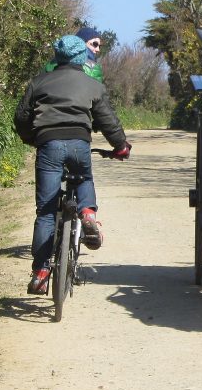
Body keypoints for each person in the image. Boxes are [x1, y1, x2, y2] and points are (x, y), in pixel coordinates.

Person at [14, 35, 131, 295]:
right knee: (84, 178)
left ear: (57, 57)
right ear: (81, 58)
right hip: (79, 143)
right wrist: (120, 146)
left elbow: (21, 117)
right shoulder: (92, 85)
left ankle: (41, 272)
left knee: (45, 212)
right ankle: (88, 213)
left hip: (48, 145)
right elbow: (108, 120)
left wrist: (31, 138)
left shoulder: (38, 82)